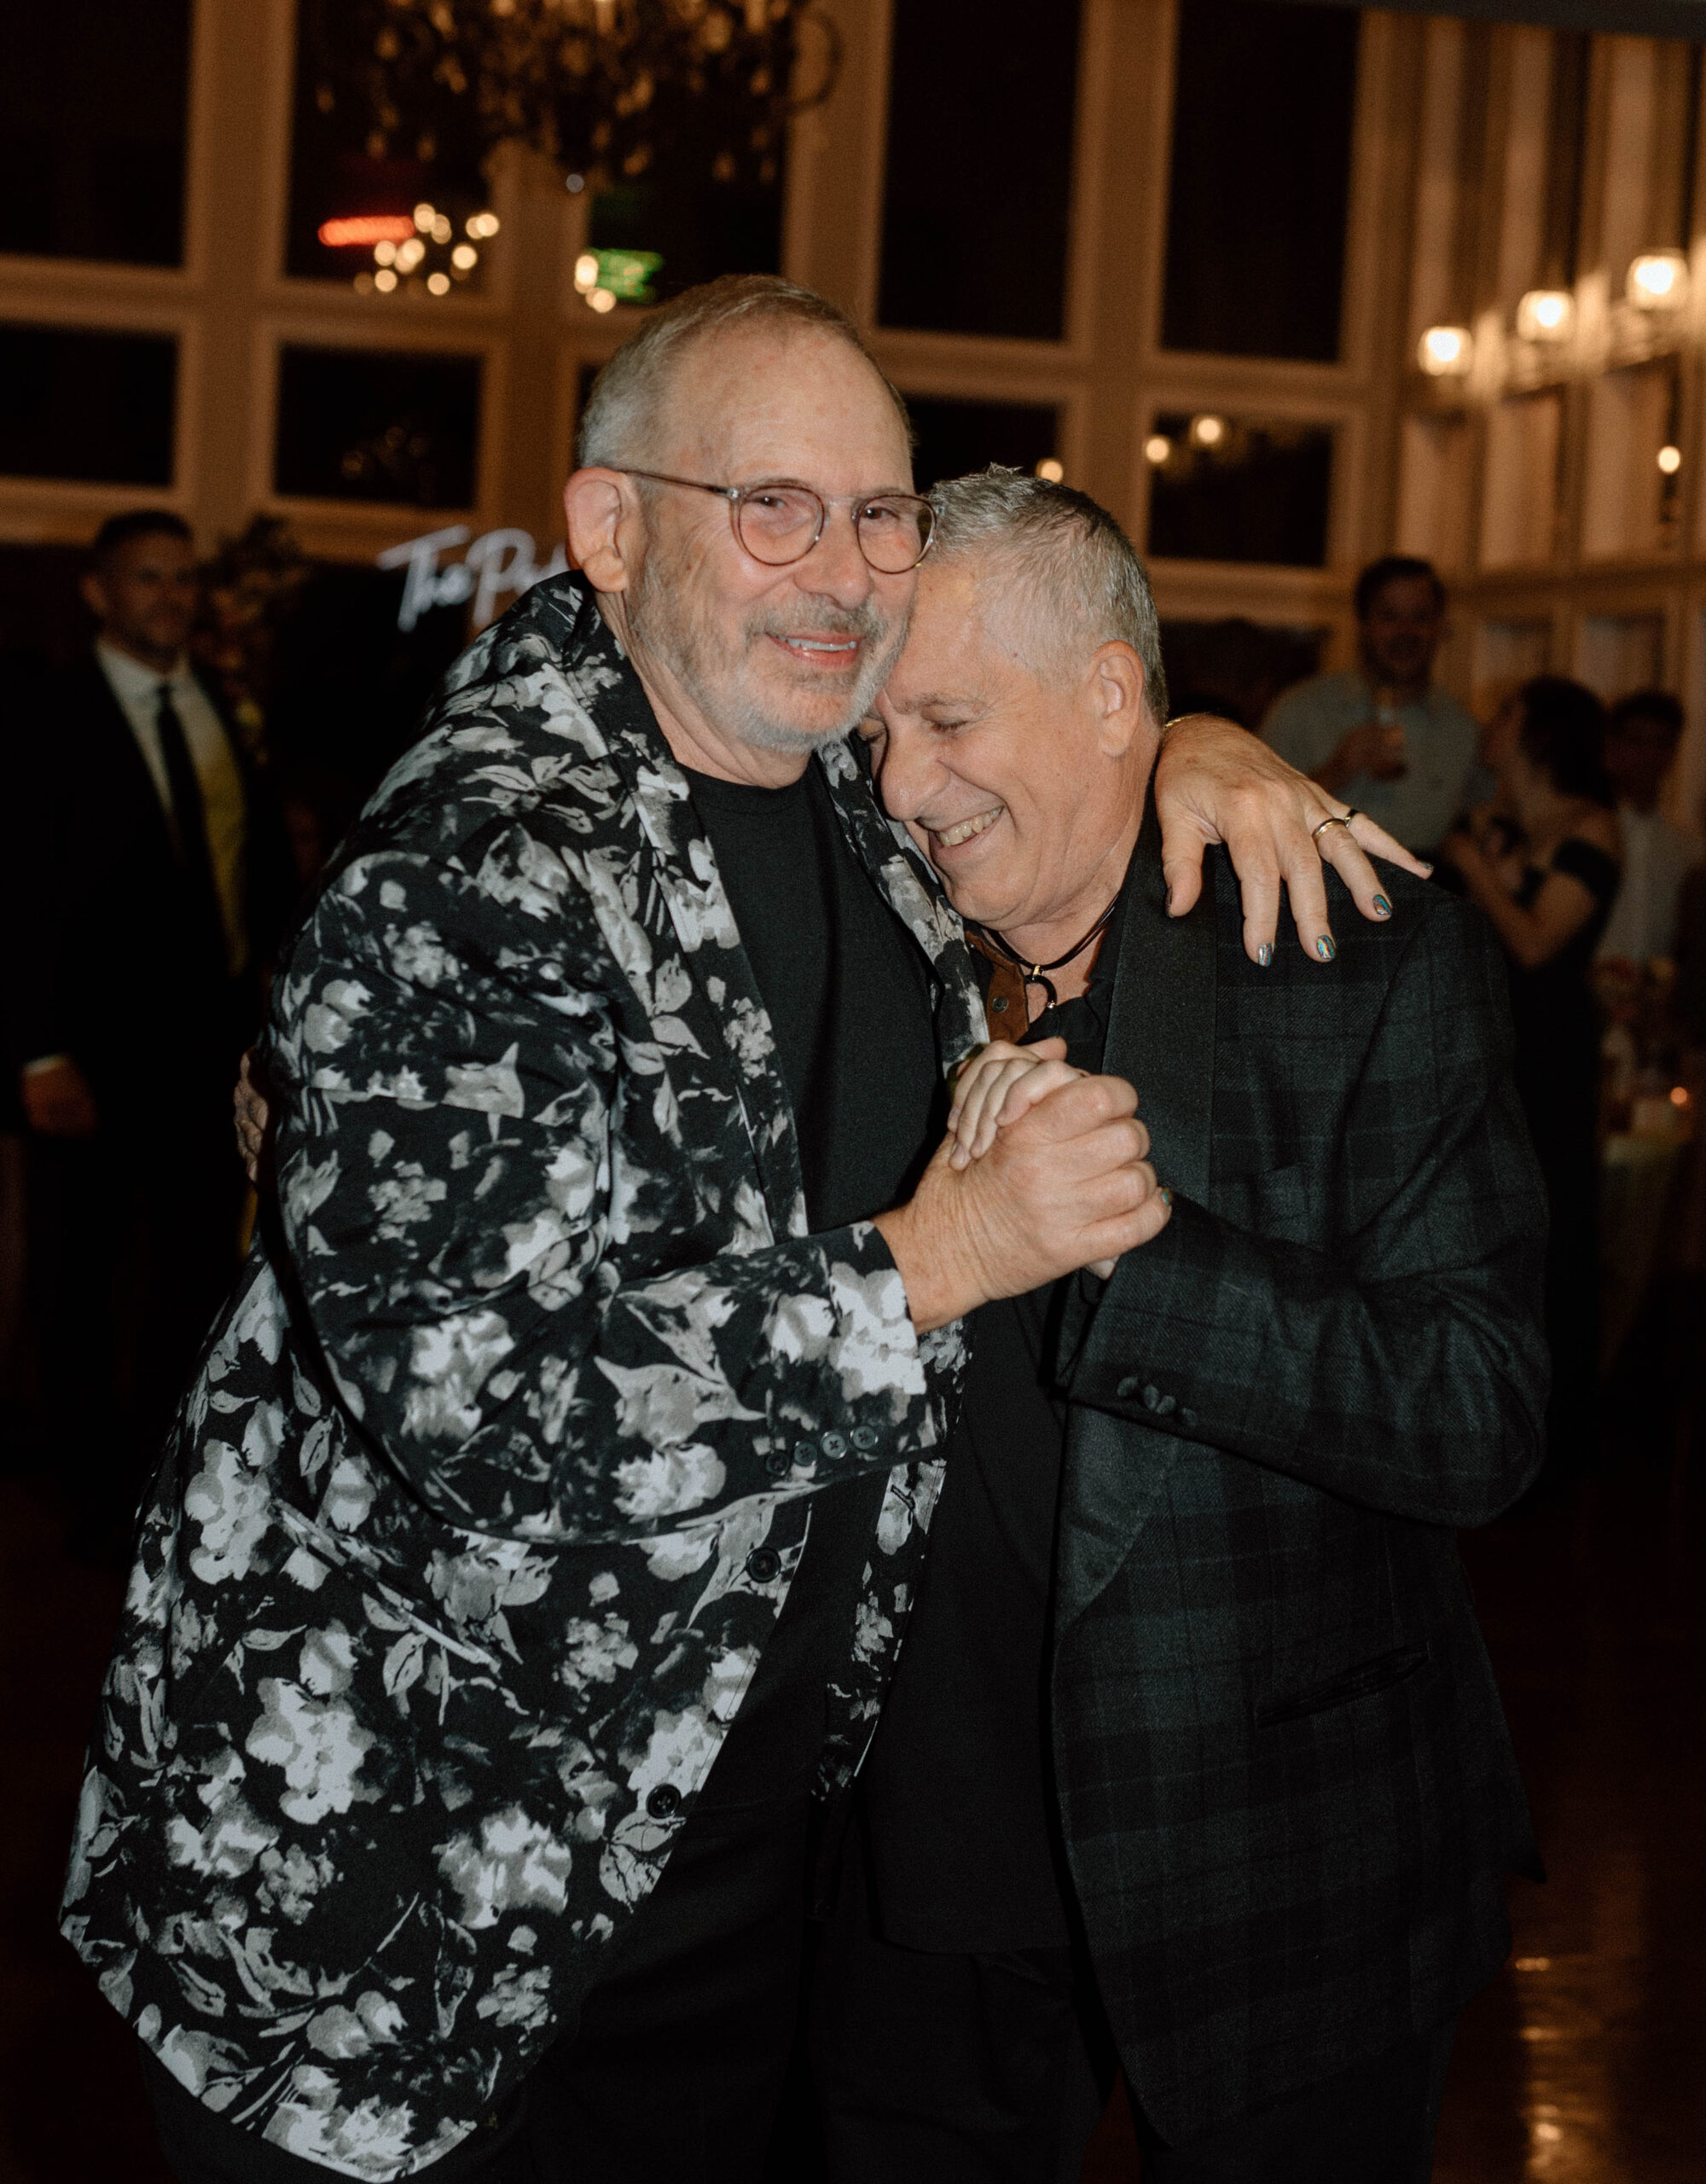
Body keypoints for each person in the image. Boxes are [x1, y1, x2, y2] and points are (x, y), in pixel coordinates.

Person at [65, 278, 1423, 2184]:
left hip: (731, 1864)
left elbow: (1022, 744)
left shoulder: (855, 811)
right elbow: (486, 1412)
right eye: (768, 504)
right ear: (610, 528)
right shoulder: (466, 872)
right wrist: (936, 1256)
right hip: (404, 1882)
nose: (846, 572)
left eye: (881, 515)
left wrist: (1183, 735)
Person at [811, 469, 1549, 2184]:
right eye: (875, 733)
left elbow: (1483, 1404)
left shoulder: (1357, 956)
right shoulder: (860, 936)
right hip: (916, 1876)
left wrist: (1136, 1256)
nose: (903, 783)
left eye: (944, 716)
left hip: (1272, 1856)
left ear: (1110, 696)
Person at [8, 511, 291, 1551]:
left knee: (188, 1275)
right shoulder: (42, 713)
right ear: (99, 591)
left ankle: (168, 1479)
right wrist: (37, 1051)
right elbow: (17, 895)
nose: (170, 597)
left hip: (209, 1054)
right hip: (86, 1058)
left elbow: (249, 866)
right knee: (80, 1274)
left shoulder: (218, 701)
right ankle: (85, 1496)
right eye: (148, 578)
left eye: (183, 579)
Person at [1438, 676, 1620, 1484]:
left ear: (1536, 732)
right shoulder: (1514, 825)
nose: (1490, 720)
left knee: (1552, 1231)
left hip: (1550, 1055)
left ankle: (1553, 1443)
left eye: (1504, 710)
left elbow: (1540, 943)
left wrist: (1474, 865)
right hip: (1498, 1046)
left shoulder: (1593, 827)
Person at [1262, 555, 1486, 856]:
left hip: (1423, 892)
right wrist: (1335, 773)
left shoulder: (1463, 730)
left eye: (1420, 617)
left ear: (1439, 627)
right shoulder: (1300, 711)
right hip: (1320, 888)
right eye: (1389, 617)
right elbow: (1255, 816)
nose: (1406, 632)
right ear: (1364, 625)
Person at [1596, 688, 1698, 966]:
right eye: (1636, 741)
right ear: (1613, 745)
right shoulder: (1591, 829)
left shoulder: (1687, 843)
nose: (1649, 755)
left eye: (1662, 743)